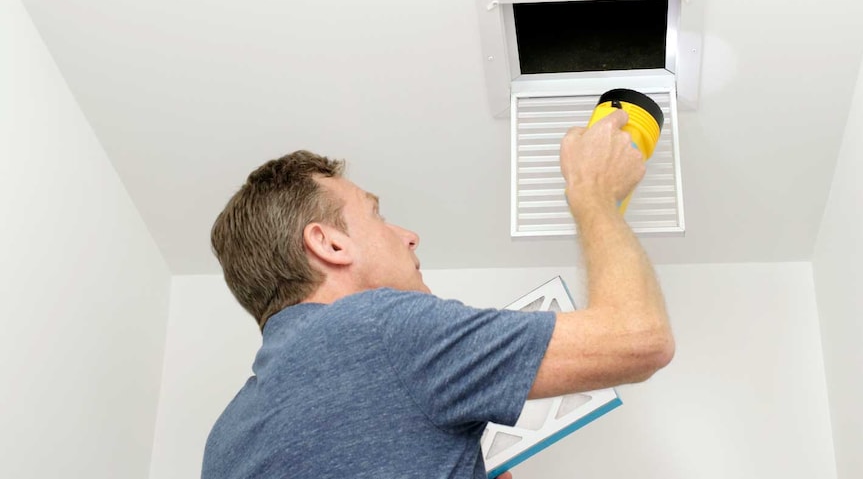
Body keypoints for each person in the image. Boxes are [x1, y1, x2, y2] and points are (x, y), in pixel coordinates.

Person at [202, 109, 674, 478]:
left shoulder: (225, 438)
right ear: (329, 243)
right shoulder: (377, 329)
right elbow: (640, 339)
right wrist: (592, 192)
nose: (408, 236)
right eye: (378, 216)